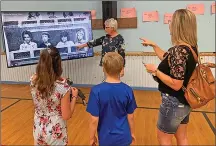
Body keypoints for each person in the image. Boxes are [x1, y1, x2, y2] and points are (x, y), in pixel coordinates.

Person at [140, 9, 198, 145]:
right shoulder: (190, 48)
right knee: (182, 137)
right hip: (184, 101)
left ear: (178, 26)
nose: (169, 24)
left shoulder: (178, 51)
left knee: (164, 139)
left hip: (173, 102)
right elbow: (169, 59)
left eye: (171, 21)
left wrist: (155, 71)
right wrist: (154, 45)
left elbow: (176, 83)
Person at [86, 52, 137, 146]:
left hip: (106, 138)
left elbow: (94, 119)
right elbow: (131, 117)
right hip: (124, 137)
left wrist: (91, 138)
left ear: (103, 69)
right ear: (122, 69)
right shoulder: (128, 90)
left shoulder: (96, 91)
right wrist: (132, 133)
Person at [30, 46, 78, 145]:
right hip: (56, 133)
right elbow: (66, 115)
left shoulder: (33, 80)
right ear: (58, 64)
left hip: (39, 129)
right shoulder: (63, 88)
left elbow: (47, 80)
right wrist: (74, 97)